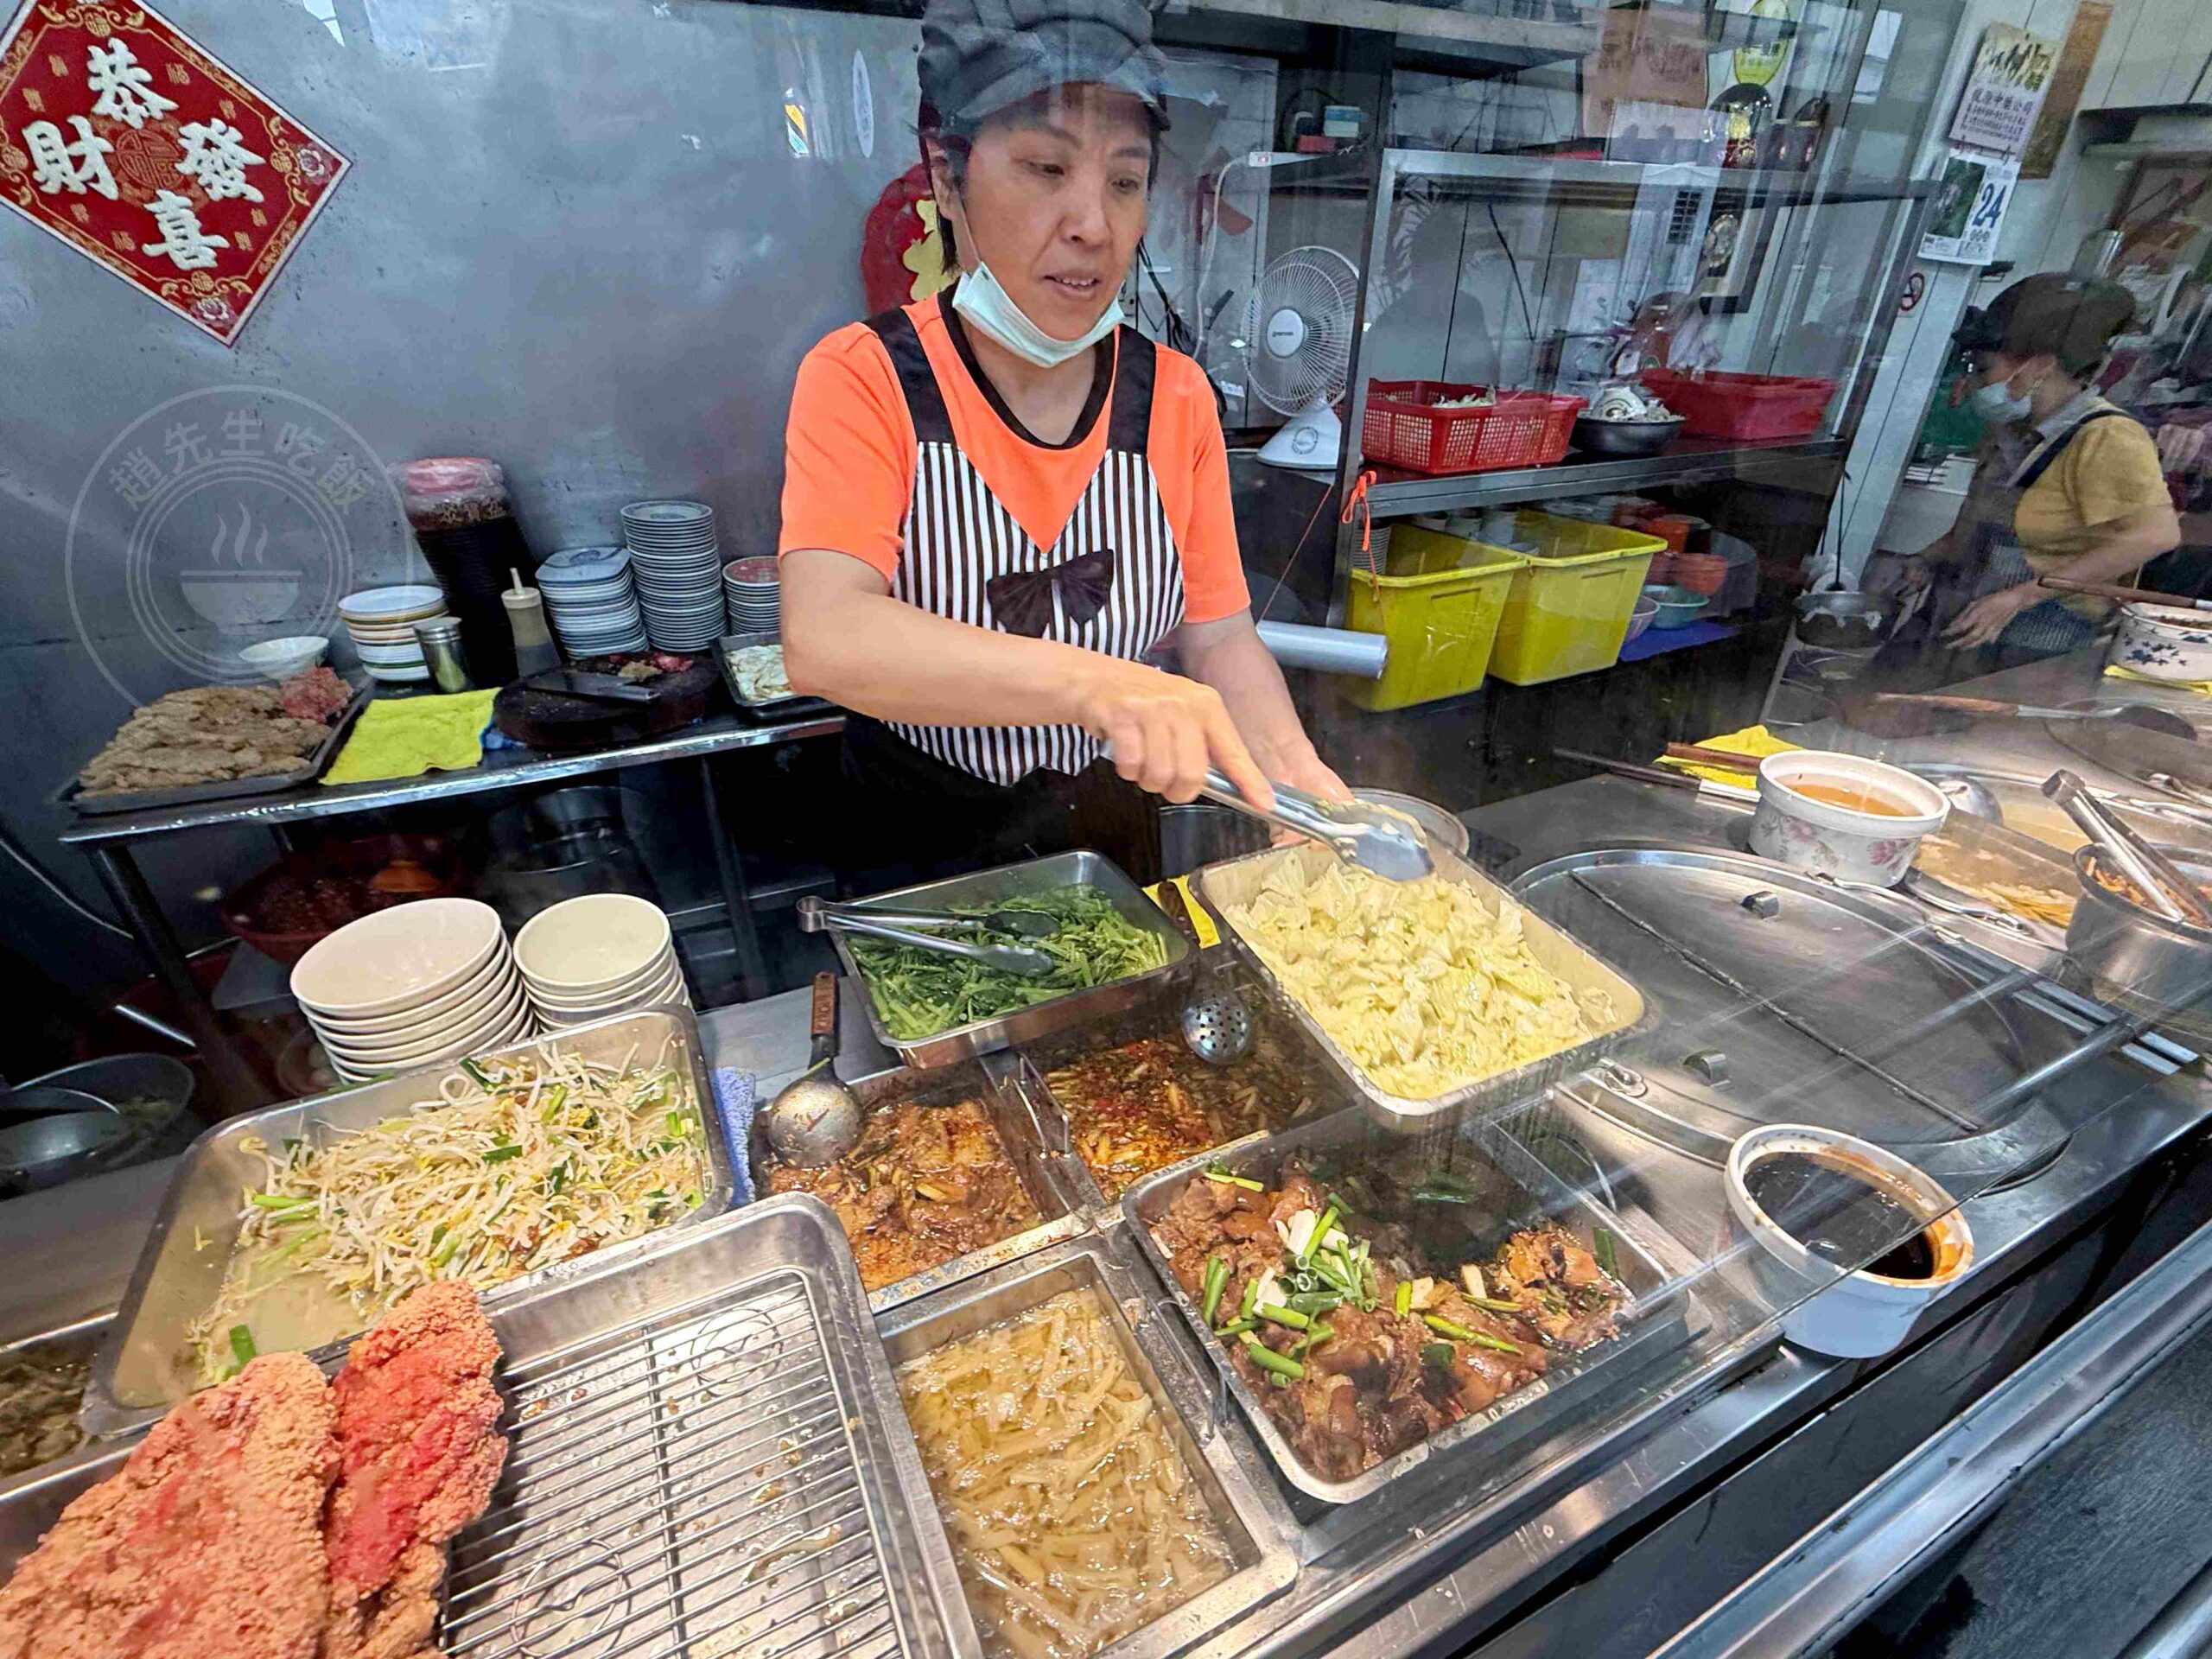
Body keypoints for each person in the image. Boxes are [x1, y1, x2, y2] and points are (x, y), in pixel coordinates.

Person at [777, 0, 1344, 880]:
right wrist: (1099, 683)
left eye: (1124, 182)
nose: (1092, 223)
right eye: (1046, 167)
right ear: (946, 175)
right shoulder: (864, 377)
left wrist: (1292, 777)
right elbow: (825, 634)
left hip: (1109, 831)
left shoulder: (1175, 397)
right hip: (922, 840)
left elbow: (1220, 638)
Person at [1897, 273, 2179, 669]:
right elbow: (1984, 525)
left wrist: (2022, 596)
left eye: (1984, 369)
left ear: (2040, 367)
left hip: (2040, 639)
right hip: (1960, 617)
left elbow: (2152, 536)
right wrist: (1926, 558)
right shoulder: (2011, 431)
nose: (1976, 382)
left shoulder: (2108, 436)